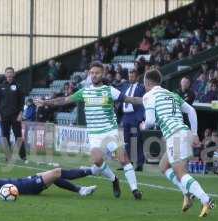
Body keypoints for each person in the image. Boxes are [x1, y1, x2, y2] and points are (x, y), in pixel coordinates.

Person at [34, 61, 143, 200]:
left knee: (123, 159)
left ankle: (135, 190)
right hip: (94, 135)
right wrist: (46, 102)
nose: (94, 75)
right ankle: (114, 180)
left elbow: (130, 99)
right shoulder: (84, 91)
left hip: (110, 132)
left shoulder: (110, 90)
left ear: (102, 74)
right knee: (97, 160)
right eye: (92, 73)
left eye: (97, 73)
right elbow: (65, 100)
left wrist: (147, 99)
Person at [138, 69, 214, 217]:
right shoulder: (172, 94)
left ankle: (206, 200)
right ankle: (187, 193)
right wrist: (194, 133)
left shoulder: (148, 96)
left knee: (181, 173)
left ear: (147, 83)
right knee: (163, 165)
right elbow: (191, 111)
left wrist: (143, 126)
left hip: (175, 135)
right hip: (183, 132)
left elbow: (151, 122)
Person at [0, 139, 96, 197]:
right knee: (57, 172)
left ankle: (81, 190)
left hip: (22, 182)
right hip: (23, 188)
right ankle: (92, 170)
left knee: (52, 175)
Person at [0, 67, 27, 162]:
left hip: (15, 115)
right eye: (7, 72)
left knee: (18, 136)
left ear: (14, 74)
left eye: (11, 72)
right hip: (4, 115)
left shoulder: (18, 86)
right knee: (5, 136)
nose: (9, 74)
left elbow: (22, 101)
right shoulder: (1, 86)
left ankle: (23, 156)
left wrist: (21, 113)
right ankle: (8, 156)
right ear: (5, 75)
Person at [118, 69, 146, 171]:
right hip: (126, 116)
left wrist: (141, 118)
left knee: (137, 140)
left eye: (132, 76)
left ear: (137, 77)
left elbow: (143, 103)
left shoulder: (141, 88)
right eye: (129, 76)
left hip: (135, 116)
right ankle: (127, 163)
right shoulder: (125, 86)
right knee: (126, 141)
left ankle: (139, 163)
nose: (130, 78)